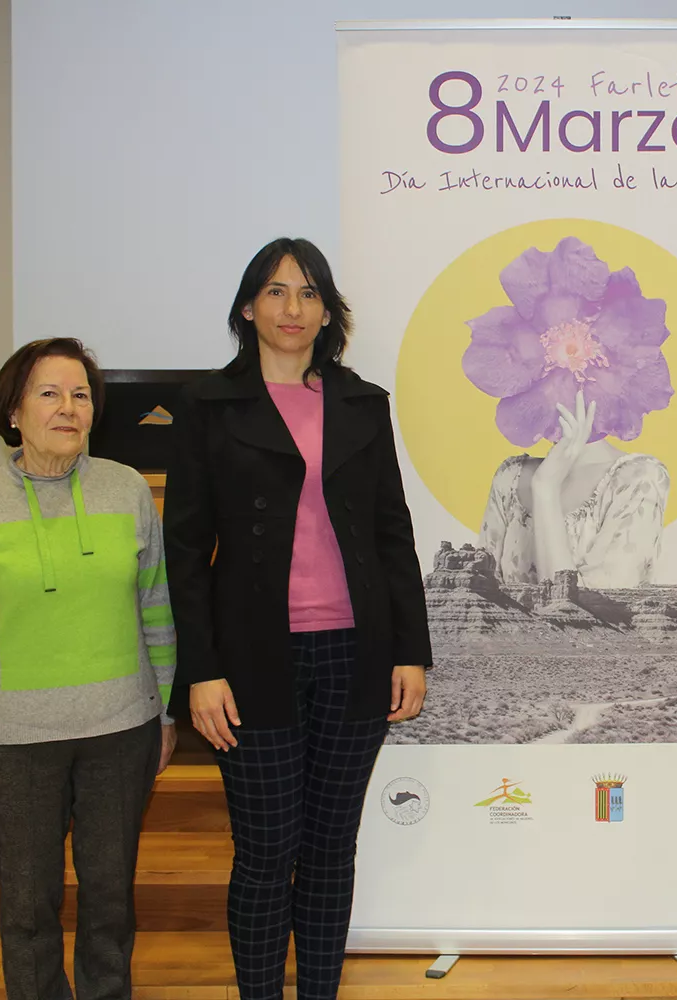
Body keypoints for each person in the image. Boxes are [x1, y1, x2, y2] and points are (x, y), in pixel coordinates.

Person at [164, 237, 431, 1000]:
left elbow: (391, 532)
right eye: (277, 292)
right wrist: (201, 671)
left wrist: (409, 650)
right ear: (248, 308)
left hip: (357, 650)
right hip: (251, 660)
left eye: (309, 293)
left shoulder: (361, 403)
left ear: (328, 311)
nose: (293, 308)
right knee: (265, 848)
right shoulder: (206, 407)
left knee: (328, 849)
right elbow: (184, 551)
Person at [0, 337, 177, 1000]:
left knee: (109, 906)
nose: (69, 407)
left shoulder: (126, 491)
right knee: (28, 915)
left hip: (120, 735)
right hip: (11, 746)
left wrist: (166, 712)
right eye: (50, 393)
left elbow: (157, 610)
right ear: (13, 409)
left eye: (82, 394)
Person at [478, 389, 669, 588]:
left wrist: (546, 490)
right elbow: (480, 596)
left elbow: (592, 611)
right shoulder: (511, 477)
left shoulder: (638, 478)